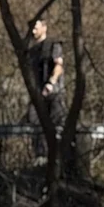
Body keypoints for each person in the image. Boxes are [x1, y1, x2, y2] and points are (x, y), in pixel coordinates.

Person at [26, 16, 65, 159]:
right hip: (37, 95)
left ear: (44, 27)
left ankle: (58, 157)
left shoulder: (53, 45)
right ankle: (40, 157)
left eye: (36, 26)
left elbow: (58, 65)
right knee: (34, 124)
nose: (33, 30)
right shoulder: (31, 51)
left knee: (57, 125)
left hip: (54, 93)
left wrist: (51, 83)